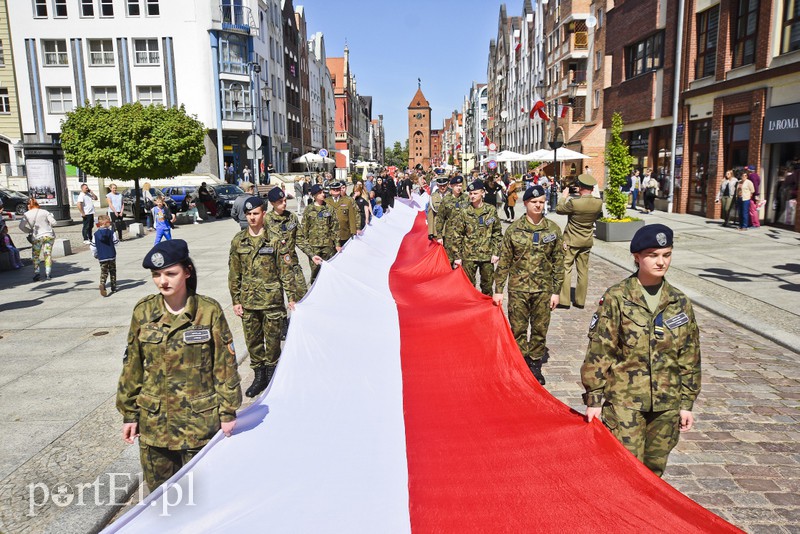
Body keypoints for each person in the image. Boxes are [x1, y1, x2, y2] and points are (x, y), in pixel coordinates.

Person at [117, 239, 242, 491]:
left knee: (203, 495)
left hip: (199, 424)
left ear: (187, 272)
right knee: (162, 498)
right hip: (155, 425)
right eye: (156, 275)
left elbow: (224, 366)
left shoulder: (208, 311)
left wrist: (227, 412)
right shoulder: (143, 312)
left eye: (170, 274)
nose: (163, 281)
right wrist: (129, 414)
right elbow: (132, 366)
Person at [582, 224, 701, 477]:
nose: (661, 262)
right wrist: (594, 399)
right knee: (625, 469)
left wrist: (686, 403)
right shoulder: (617, 297)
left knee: (654, 472)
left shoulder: (679, 301)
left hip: (667, 403)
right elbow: (601, 349)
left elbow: (689, 355)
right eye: (653, 255)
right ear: (637, 257)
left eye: (666, 255)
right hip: (625, 400)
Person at [493, 185, 564, 385]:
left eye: (541, 202)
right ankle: (521, 363)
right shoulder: (514, 230)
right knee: (518, 329)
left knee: (540, 329)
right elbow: (504, 262)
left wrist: (556, 292)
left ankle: (535, 364)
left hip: (543, 289)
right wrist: (499, 290)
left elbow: (559, 263)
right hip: (518, 289)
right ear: (525, 203)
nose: (538, 205)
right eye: (534, 202)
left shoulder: (553, 230)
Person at [228, 196, 298, 397]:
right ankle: (259, 377)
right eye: (248, 214)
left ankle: (273, 375)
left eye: (255, 213)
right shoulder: (238, 240)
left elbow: (286, 271)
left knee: (273, 341)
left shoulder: (275, 240)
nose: (251, 217)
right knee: (253, 342)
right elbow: (234, 273)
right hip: (248, 301)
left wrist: (291, 297)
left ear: (263, 214)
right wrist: (235, 300)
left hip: (271, 301)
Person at [556, 174, 604, 309]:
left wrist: (564, 196)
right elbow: (599, 216)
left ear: (580, 187)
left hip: (571, 240)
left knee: (566, 268)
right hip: (586, 240)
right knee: (583, 271)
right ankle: (580, 301)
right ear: (592, 188)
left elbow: (559, 209)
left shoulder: (574, 203)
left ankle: (564, 300)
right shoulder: (598, 203)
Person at [451, 179, 503, 296]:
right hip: (469, 255)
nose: (472, 196)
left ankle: (486, 307)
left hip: (487, 255)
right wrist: (457, 257)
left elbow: (497, 233)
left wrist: (496, 252)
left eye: (475, 193)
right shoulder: (464, 211)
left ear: (482, 193)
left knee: (487, 287)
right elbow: (457, 235)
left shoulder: (490, 210)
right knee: (468, 287)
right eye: (470, 193)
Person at [266, 187, 308, 300]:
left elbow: (300, 239)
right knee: (276, 301)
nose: (284, 203)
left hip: (292, 264)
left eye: (285, 200)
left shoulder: (291, 217)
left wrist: (312, 255)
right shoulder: (266, 221)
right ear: (272, 203)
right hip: (274, 267)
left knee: (302, 296)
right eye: (280, 202)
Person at [299, 184, 340, 282]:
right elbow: (304, 228)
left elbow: (335, 227)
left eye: (323, 192)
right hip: (314, 246)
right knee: (315, 272)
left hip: (328, 245)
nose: (323, 194)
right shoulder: (309, 209)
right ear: (315, 195)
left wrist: (337, 243)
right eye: (320, 193)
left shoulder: (329, 208)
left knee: (328, 270)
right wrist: (307, 246)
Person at [435, 175, 470, 264]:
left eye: (460, 186)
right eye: (456, 186)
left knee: (464, 261)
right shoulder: (446, 200)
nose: (459, 188)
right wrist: (439, 235)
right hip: (450, 235)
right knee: (448, 261)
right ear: (451, 186)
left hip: (464, 235)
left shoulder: (466, 198)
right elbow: (440, 218)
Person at [19, 198, 57, 281]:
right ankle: (48, 273)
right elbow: (54, 222)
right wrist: (48, 226)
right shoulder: (45, 212)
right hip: (48, 235)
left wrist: (29, 231)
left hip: (37, 237)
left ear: (29, 205)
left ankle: (37, 273)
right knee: (47, 254)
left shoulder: (26, 214)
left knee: (36, 255)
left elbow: (21, 226)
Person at [91, 214, 119, 296]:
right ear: (105, 223)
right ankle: (113, 287)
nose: (110, 223)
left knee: (104, 271)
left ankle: (102, 284)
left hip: (102, 256)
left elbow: (93, 246)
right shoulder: (111, 232)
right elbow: (116, 243)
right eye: (109, 222)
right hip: (111, 254)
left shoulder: (96, 234)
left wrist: (95, 254)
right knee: (112, 271)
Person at [325, 181, 358, 247]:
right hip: (330, 235)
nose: (335, 190)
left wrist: (353, 232)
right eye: (333, 189)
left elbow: (351, 218)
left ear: (340, 190)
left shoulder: (347, 201)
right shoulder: (326, 201)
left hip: (344, 234)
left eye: (337, 189)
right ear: (330, 191)